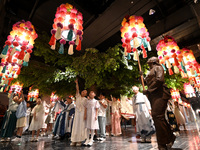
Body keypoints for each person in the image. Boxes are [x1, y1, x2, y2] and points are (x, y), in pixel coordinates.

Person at [144, 57, 176, 150]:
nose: (148, 64)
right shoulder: (150, 71)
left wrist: (149, 90)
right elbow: (147, 82)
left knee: (157, 115)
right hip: (154, 95)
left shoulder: (158, 68)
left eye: (149, 63)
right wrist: (141, 77)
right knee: (158, 117)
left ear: (153, 62)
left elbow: (159, 80)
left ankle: (163, 142)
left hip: (160, 94)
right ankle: (169, 137)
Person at [71, 79, 87, 146]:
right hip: (77, 113)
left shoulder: (86, 100)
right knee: (76, 126)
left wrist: (85, 115)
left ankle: (79, 141)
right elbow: (77, 89)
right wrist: (76, 83)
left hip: (82, 113)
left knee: (81, 126)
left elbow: (86, 108)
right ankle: (74, 140)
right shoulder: (78, 96)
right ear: (81, 92)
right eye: (83, 92)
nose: (84, 93)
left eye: (85, 93)